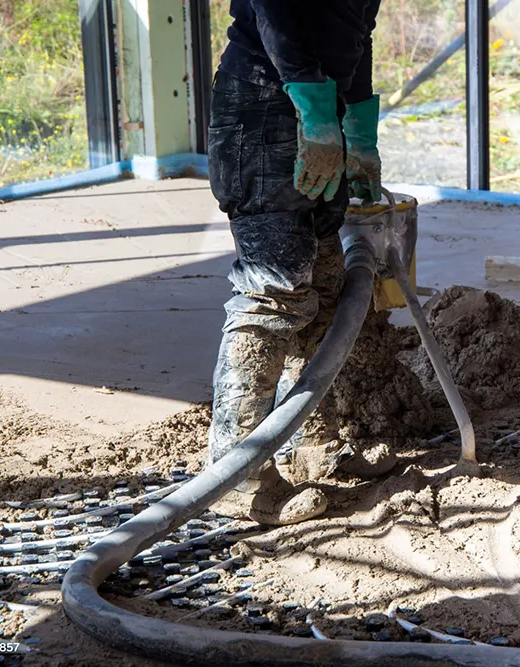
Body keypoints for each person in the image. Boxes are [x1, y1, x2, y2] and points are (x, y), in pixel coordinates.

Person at [205, 1, 383, 526]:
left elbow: (355, 30)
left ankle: (307, 446)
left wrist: (358, 127)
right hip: (263, 108)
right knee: (274, 291)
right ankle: (239, 477)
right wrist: (315, 110)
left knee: (327, 284)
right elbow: (275, 7)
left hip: (319, 106)